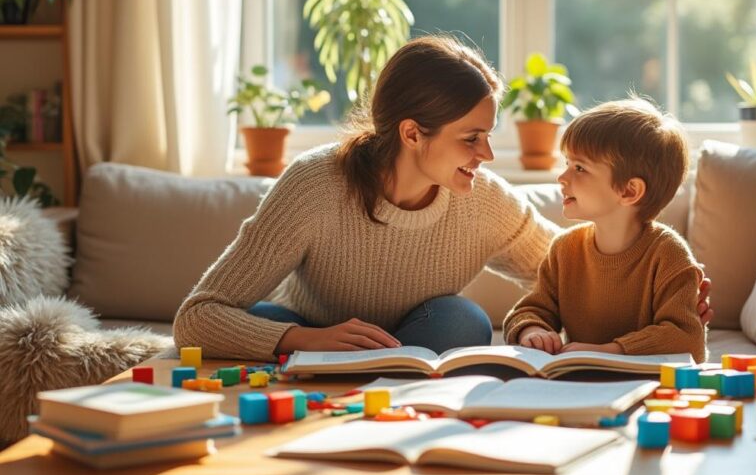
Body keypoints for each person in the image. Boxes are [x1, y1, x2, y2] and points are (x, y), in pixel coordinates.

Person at [174, 36, 712, 362]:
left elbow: (572, 267)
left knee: (462, 320)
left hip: (411, 349)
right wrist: (302, 339)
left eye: (489, 135)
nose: (486, 154)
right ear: (412, 134)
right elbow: (197, 317)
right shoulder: (314, 186)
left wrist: (664, 292)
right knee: (261, 317)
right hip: (313, 343)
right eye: (471, 138)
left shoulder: (481, 201)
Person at [504, 97, 708, 362]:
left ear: (629, 190)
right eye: (567, 164)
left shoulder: (669, 254)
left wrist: (609, 352)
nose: (562, 177)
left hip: (648, 386)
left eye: (579, 168)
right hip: (579, 381)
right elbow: (532, 309)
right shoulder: (565, 249)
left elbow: (686, 338)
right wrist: (532, 330)